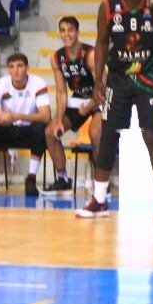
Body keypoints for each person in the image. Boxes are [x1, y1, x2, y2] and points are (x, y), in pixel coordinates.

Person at [82, 0, 153, 221]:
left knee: (151, 136)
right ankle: (99, 199)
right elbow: (101, 43)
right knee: (107, 136)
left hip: (148, 79)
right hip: (118, 79)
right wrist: (98, 81)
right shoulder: (108, 6)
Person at [0, 53, 50, 196]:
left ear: (27, 68)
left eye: (20, 66)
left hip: (28, 131)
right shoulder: (2, 83)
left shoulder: (38, 83)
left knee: (41, 128)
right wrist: (0, 118)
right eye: (12, 67)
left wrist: (18, 116)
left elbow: (45, 116)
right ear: (8, 70)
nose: (16, 70)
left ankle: (31, 178)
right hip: (7, 129)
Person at [42, 16, 100, 196]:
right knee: (51, 132)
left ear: (77, 32)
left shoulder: (90, 54)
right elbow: (61, 92)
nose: (66, 34)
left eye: (70, 30)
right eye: (63, 30)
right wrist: (59, 118)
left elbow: (103, 87)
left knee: (95, 133)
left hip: (100, 99)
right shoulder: (57, 58)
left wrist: (90, 106)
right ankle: (63, 180)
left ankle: (100, 182)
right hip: (79, 99)